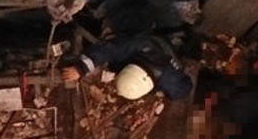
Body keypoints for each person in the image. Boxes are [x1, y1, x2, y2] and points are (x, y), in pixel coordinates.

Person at [61, 35, 193, 101]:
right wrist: (81, 68)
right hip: (141, 25)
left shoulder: (173, 84)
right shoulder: (144, 46)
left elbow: (181, 88)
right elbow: (111, 49)